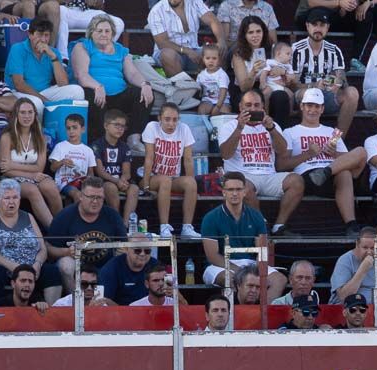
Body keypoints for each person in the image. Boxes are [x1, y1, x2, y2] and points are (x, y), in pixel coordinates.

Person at [218, 91, 305, 237]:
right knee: (242, 187)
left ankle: (279, 226)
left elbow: (283, 152)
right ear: (240, 107)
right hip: (242, 175)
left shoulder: (272, 125)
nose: (253, 109)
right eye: (248, 105)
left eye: (257, 105)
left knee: (296, 181)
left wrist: (271, 129)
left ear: (263, 107)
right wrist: (240, 127)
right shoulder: (229, 126)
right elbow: (226, 154)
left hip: (268, 175)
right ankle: (261, 226)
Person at [280, 88, 365, 237]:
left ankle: (351, 226)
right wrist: (308, 154)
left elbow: (350, 159)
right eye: (309, 105)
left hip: (331, 174)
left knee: (359, 153)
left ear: (322, 109)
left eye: (316, 106)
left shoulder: (331, 131)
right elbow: (281, 165)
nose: (312, 110)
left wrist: (334, 154)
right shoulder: (290, 132)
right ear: (301, 106)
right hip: (308, 175)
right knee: (343, 172)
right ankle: (351, 224)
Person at [70, 15, 154, 148]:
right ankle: (99, 142)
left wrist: (145, 84)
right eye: (99, 31)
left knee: (143, 94)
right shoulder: (83, 47)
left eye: (107, 31)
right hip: (95, 91)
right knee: (93, 97)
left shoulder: (121, 50)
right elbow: (81, 75)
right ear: (91, 32)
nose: (103, 34)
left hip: (119, 93)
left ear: (113, 33)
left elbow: (132, 74)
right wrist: (97, 86)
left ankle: (133, 138)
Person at [200, 171, 285, 300]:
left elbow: (261, 250)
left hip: (251, 264)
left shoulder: (256, 216)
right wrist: (241, 272)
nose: (234, 193)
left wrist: (255, 271)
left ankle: (262, 316)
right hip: (221, 265)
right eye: (230, 189)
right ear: (224, 192)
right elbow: (212, 256)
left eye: (238, 189)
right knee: (230, 279)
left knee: (279, 280)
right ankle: (234, 317)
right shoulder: (210, 218)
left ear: (245, 191)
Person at [0, 183, 55, 304]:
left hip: (29, 267)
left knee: (52, 271)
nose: (11, 202)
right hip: (1, 265)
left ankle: (51, 311)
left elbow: (42, 248)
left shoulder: (28, 216)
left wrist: (37, 264)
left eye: (15, 197)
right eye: (7, 198)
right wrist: (11, 265)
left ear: (20, 199)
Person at [46, 175, 126, 292]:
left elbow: (124, 243)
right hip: (77, 267)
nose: (95, 201)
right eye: (91, 197)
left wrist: (123, 249)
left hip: (106, 267)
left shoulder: (112, 215)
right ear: (81, 197)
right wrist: (67, 252)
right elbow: (49, 248)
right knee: (65, 265)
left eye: (99, 198)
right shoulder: (65, 216)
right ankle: (76, 302)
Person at [290, 9, 357, 136]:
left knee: (352, 93)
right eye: (315, 25)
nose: (318, 29)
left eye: (322, 25)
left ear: (327, 27)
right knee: (310, 93)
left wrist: (338, 83)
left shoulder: (334, 50)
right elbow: (292, 85)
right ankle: (305, 136)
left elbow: (342, 79)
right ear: (307, 26)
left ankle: (336, 142)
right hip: (303, 95)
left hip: (327, 96)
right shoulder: (296, 49)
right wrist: (314, 86)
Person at [141, 102, 201, 240]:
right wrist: (145, 185)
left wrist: (191, 184)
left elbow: (188, 159)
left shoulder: (184, 129)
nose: (171, 124)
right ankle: (164, 227)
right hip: (153, 177)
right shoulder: (152, 128)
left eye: (175, 120)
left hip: (173, 178)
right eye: (167, 119)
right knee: (165, 180)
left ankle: (187, 227)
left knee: (191, 182)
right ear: (159, 118)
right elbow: (149, 157)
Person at [0, 98, 62, 228]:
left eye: (30, 112)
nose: (27, 116)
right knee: (32, 190)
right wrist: (30, 175)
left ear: (35, 114)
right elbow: (5, 169)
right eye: (22, 112)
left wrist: (12, 164)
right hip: (11, 177)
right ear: (16, 114)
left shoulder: (40, 137)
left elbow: (40, 167)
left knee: (50, 187)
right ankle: (53, 230)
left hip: (33, 173)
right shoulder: (7, 137)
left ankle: (62, 224)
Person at [4, 18, 84, 116]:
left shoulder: (53, 52)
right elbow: (19, 84)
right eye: (39, 34)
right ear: (30, 35)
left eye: (46, 35)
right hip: (18, 93)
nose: (43, 39)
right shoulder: (18, 49)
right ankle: (39, 131)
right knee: (37, 104)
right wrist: (43, 100)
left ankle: (68, 128)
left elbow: (63, 84)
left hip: (44, 92)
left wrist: (53, 57)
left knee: (77, 91)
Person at [147, 0, 225, 79]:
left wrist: (221, 41)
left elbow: (213, 20)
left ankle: (213, 88)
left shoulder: (194, 2)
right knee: (168, 54)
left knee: (217, 51)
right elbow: (162, 43)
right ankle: (183, 88)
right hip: (169, 52)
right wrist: (186, 51)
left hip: (194, 50)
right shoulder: (156, 11)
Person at [232, 17, 285, 124]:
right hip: (247, 90)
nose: (255, 35)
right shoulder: (238, 54)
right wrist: (253, 72)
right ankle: (263, 126)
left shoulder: (272, 49)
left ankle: (279, 129)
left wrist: (281, 70)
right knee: (262, 94)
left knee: (282, 95)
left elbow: (288, 71)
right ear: (244, 35)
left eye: (258, 31)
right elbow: (244, 87)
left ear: (263, 32)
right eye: (250, 32)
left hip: (270, 84)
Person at [91, 108, 139, 222]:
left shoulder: (124, 147)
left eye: (123, 126)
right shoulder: (96, 145)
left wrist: (123, 179)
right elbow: (100, 172)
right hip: (104, 181)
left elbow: (127, 172)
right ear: (106, 126)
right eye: (117, 125)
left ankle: (126, 224)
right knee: (110, 187)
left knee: (134, 189)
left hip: (120, 181)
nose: (120, 129)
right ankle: (116, 221)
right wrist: (116, 181)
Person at [331, 227, 377, 304]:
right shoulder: (344, 260)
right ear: (357, 244)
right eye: (365, 247)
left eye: (373, 248)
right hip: (350, 311)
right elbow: (343, 297)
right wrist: (363, 269)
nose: (369, 252)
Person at [49, 113, 96, 202]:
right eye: (68, 128)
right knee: (78, 195)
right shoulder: (60, 146)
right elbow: (52, 168)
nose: (71, 131)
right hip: (64, 183)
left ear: (83, 129)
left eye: (74, 127)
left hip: (82, 183)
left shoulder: (88, 150)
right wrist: (62, 162)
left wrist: (88, 180)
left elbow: (91, 173)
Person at [99, 236, 158, 305]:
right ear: (126, 249)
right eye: (137, 250)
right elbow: (104, 300)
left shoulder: (155, 266)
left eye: (147, 251)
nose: (142, 254)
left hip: (150, 312)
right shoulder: (111, 268)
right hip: (120, 313)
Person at [196, 44, 232, 115]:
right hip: (207, 100)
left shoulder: (222, 74)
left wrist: (218, 107)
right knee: (202, 110)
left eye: (214, 58)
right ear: (203, 59)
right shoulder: (201, 75)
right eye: (208, 58)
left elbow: (223, 91)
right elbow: (198, 89)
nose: (211, 61)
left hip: (223, 101)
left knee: (224, 111)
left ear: (219, 60)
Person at [258, 40, 294, 106]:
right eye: (288, 54)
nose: (290, 57)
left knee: (291, 95)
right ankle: (266, 111)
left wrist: (288, 77)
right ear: (278, 54)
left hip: (281, 86)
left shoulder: (288, 66)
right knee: (266, 93)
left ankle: (291, 112)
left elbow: (292, 76)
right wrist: (262, 83)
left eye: (291, 55)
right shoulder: (270, 62)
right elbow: (264, 72)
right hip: (270, 84)